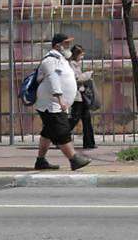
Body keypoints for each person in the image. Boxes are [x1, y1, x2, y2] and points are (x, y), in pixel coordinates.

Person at [33, 33, 92, 171]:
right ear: (57, 45)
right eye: (66, 43)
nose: (69, 46)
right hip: (51, 104)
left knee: (48, 132)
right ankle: (74, 159)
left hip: (54, 104)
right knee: (62, 130)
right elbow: (53, 80)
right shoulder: (50, 60)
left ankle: (40, 161)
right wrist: (60, 99)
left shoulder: (60, 59)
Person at [67, 45, 97, 150]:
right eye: (81, 54)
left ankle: (89, 143)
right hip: (76, 96)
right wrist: (88, 74)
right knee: (75, 118)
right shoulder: (71, 64)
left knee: (86, 119)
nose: (83, 56)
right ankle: (60, 135)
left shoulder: (76, 64)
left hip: (81, 95)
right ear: (76, 54)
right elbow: (76, 79)